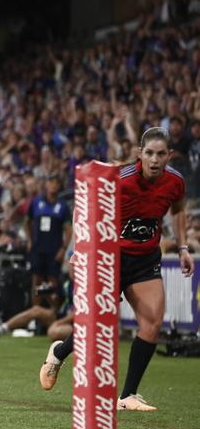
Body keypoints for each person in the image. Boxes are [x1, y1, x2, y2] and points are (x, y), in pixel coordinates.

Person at [39, 127, 195, 411]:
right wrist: (80, 249)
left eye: (161, 154)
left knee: (152, 322)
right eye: (149, 153)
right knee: (94, 325)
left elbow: (179, 209)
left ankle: (128, 396)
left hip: (145, 259)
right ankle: (59, 353)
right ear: (140, 154)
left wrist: (183, 248)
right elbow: (82, 207)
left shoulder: (175, 181)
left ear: (169, 155)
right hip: (108, 258)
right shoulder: (119, 179)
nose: (155, 160)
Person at [25, 174, 72, 304]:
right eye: (51, 182)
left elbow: (69, 229)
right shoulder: (36, 202)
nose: (54, 185)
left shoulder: (62, 206)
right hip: (38, 248)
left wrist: (63, 249)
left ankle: (53, 314)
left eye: (57, 183)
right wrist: (29, 240)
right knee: (37, 281)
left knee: (53, 282)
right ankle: (36, 314)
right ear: (46, 184)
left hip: (54, 250)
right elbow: (27, 221)